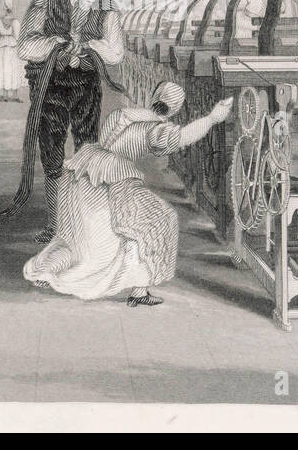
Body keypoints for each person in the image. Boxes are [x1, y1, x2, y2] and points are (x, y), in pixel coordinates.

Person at [23, 81, 233, 306]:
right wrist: (212, 118)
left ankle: (43, 270)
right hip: (111, 178)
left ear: (154, 98)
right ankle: (139, 291)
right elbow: (183, 136)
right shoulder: (155, 129)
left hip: (85, 171)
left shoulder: (123, 115)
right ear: (175, 109)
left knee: (78, 239)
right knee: (156, 222)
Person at [18, 0, 125, 244]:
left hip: (86, 85)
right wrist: (55, 42)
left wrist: (89, 44)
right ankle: (55, 224)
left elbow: (116, 51)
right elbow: (25, 45)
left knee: (87, 151)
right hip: (51, 83)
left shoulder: (106, 5)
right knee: (51, 152)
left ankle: (83, 224)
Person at [0, 0, 26, 100]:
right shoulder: (15, 22)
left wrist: (0, 36)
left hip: (1, 47)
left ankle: (5, 95)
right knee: (14, 69)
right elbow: (18, 37)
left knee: (3, 68)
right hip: (12, 48)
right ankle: (15, 95)